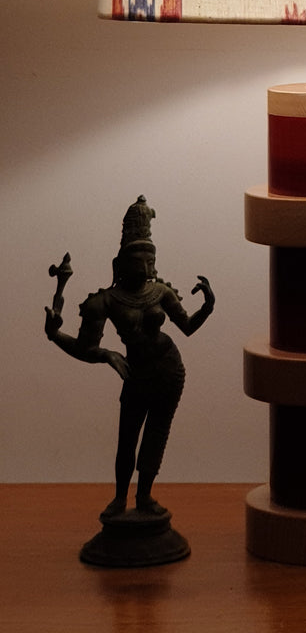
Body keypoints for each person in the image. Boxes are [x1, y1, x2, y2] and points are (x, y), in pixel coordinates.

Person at [44, 196, 215, 518]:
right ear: (120, 264)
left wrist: (207, 307)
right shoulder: (105, 301)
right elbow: (85, 349)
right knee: (128, 437)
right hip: (135, 372)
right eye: (139, 260)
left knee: (157, 433)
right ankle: (120, 497)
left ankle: (145, 496)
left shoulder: (161, 292)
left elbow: (188, 327)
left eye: (151, 260)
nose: (146, 267)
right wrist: (65, 339)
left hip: (170, 369)